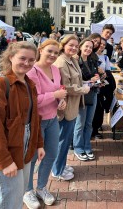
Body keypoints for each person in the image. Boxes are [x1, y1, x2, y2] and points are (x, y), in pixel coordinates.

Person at [0, 41, 45, 209]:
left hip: (26, 145)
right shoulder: (0, 85)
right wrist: (4, 161)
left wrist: (39, 144)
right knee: (10, 201)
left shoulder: (30, 85)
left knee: (18, 194)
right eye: (22, 58)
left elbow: (35, 118)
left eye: (31, 60)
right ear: (11, 57)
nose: (27, 63)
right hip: (7, 148)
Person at [23, 39, 67, 208]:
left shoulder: (55, 70)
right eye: (50, 51)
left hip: (52, 119)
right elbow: (34, 100)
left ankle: (41, 187)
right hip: (36, 121)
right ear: (40, 49)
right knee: (32, 157)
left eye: (56, 53)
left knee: (51, 154)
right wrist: (55, 96)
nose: (53, 55)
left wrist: (60, 101)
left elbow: (58, 91)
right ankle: (27, 191)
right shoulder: (33, 71)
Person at [51, 35, 90, 178]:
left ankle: (61, 164)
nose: (74, 48)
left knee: (66, 139)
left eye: (76, 45)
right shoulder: (61, 62)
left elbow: (77, 80)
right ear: (64, 45)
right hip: (65, 107)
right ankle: (57, 170)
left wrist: (85, 84)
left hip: (73, 105)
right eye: (70, 45)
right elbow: (66, 87)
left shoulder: (72, 59)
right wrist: (83, 89)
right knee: (63, 139)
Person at [73, 38, 100, 161]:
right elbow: (76, 82)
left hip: (93, 93)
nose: (88, 49)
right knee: (80, 124)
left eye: (91, 47)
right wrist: (90, 81)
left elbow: (94, 77)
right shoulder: (75, 61)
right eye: (86, 46)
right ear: (81, 46)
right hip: (81, 96)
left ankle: (87, 146)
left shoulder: (92, 60)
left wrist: (99, 80)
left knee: (89, 123)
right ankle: (78, 147)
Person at [92, 38, 116, 138]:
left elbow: (108, 72)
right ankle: (91, 129)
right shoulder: (91, 55)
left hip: (101, 86)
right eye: (100, 44)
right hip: (92, 85)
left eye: (103, 44)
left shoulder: (105, 57)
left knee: (99, 108)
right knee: (92, 108)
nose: (101, 46)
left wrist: (105, 74)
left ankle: (96, 129)